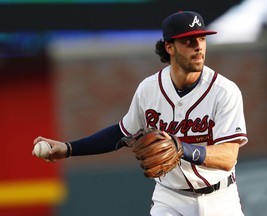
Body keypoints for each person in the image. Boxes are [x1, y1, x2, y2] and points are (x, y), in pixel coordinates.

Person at [33, 11, 248, 216]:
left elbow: (228, 157)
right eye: (188, 41)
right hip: (171, 198)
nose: (198, 47)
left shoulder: (224, 91)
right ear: (169, 47)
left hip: (220, 197)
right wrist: (69, 148)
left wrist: (182, 149)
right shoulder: (149, 89)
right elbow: (122, 133)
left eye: (201, 39)